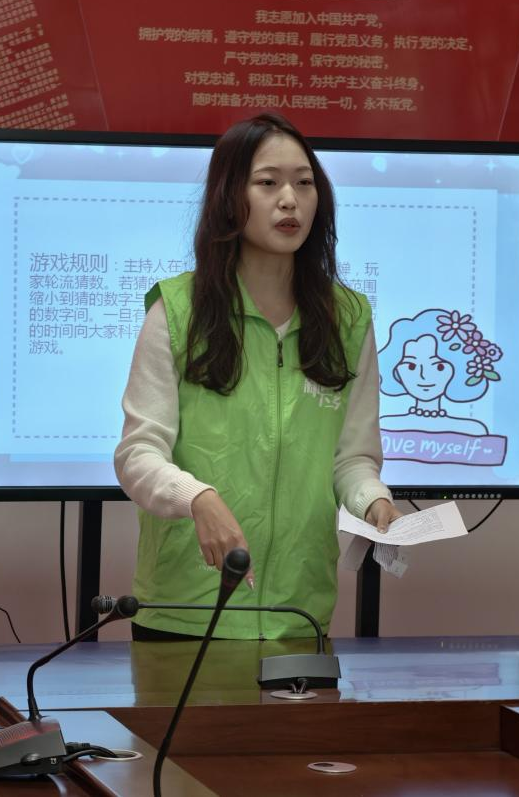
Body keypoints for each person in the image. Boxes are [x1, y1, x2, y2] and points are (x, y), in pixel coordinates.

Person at [114, 112, 400, 641]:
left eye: (304, 183)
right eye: (268, 183)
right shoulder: (177, 310)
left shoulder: (348, 317)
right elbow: (138, 454)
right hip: (187, 610)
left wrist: (373, 501)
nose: (290, 200)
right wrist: (197, 497)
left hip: (299, 612)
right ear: (230, 197)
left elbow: (353, 458)